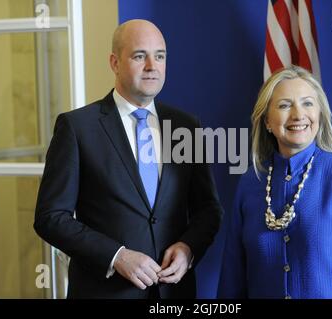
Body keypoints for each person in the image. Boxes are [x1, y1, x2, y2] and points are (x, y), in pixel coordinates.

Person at [34, 19, 222, 299]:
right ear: (114, 62)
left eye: (160, 56)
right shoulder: (77, 127)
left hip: (173, 293)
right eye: (139, 56)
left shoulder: (186, 126)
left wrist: (188, 248)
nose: (152, 66)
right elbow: (50, 217)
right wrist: (116, 256)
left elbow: (208, 209)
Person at [217, 65, 332, 299]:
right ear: (267, 121)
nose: (298, 114)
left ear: (319, 114)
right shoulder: (251, 182)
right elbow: (232, 280)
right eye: (284, 105)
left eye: (308, 103)